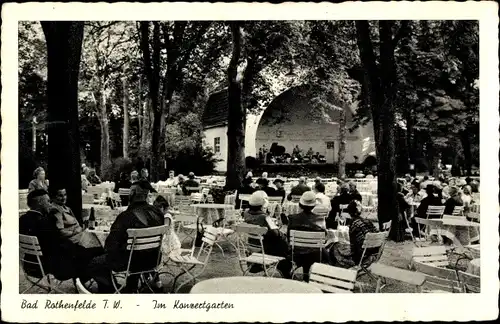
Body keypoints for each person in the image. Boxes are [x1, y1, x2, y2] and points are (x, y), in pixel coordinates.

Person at [86, 180, 165, 293]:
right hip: (153, 260)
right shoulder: (158, 213)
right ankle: (131, 287)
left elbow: (110, 246)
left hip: (131, 262)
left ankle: (112, 291)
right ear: (146, 194)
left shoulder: (125, 217)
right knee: (134, 253)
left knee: (95, 263)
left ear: (132, 193)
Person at [286, 191, 331, 281]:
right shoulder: (320, 219)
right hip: (316, 254)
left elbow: (288, 237)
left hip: (296, 253)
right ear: (314, 205)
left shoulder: (292, 218)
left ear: (300, 204)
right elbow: (324, 239)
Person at [243, 191, 289, 274]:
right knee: (283, 243)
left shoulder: (246, 213)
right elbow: (276, 233)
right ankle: (285, 270)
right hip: (265, 248)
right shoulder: (265, 217)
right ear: (264, 204)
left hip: (252, 245)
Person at [330, 200, 379, 268]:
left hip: (361, 255)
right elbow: (376, 233)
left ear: (349, 213)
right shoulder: (368, 221)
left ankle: (338, 267)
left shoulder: (354, 224)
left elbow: (353, 246)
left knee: (335, 245)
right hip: (375, 252)